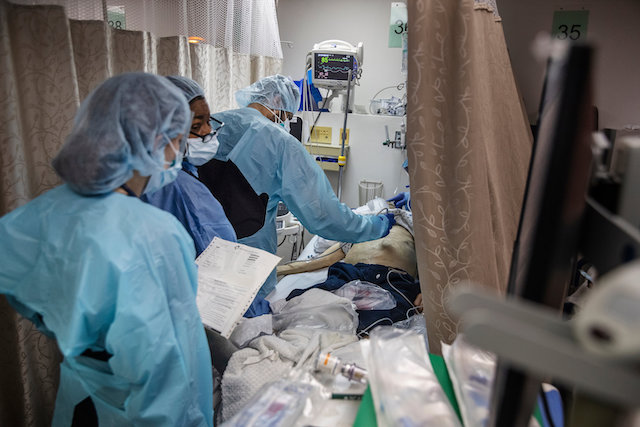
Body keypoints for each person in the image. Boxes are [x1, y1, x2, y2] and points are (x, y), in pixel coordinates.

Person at [0, 73, 213, 426]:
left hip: (80, 392)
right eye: (179, 140)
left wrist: (78, 334)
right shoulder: (154, 235)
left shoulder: (40, 213)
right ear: (157, 141)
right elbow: (170, 368)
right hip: (135, 410)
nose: (181, 151)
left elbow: (25, 292)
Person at [197, 75, 395, 297]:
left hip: (199, 253)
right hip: (248, 263)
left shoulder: (211, 124)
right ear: (276, 100)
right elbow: (323, 215)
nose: (283, 122)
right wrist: (375, 225)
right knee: (246, 323)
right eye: (286, 116)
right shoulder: (280, 143)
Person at [144, 75, 270, 317]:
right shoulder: (178, 187)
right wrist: (261, 318)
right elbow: (222, 268)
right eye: (196, 126)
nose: (208, 132)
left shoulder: (151, 176)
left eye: (208, 122)